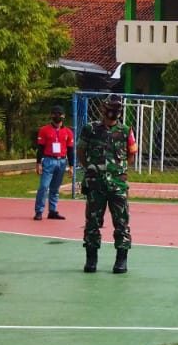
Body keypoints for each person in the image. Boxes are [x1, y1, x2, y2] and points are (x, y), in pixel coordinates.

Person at [78, 96, 138, 274]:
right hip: (95, 184)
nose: (113, 112)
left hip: (118, 185)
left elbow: (131, 155)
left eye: (117, 108)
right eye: (111, 108)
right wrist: (91, 168)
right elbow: (81, 151)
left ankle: (121, 259)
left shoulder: (126, 131)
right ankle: (91, 258)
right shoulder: (91, 129)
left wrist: (117, 170)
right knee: (92, 222)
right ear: (103, 109)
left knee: (121, 222)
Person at [34, 105, 74, 221]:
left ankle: (52, 210)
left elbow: (70, 150)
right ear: (51, 116)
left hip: (61, 161)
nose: (57, 116)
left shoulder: (68, 132)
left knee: (55, 188)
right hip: (48, 160)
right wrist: (38, 163)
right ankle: (39, 211)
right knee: (44, 186)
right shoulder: (44, 130)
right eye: (55, 114)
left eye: (59, 114)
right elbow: (40, 148)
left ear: (63, 116)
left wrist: (71, 166)